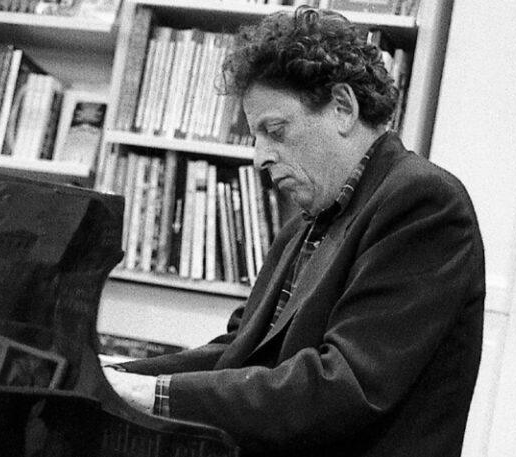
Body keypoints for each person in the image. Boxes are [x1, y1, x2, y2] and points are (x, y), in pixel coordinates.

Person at [103, 6, 485, 457]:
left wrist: (156, 395)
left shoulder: (424, 203)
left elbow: (343, 385)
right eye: (256, 136)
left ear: (343, 107)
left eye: (275, 130)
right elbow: (239, 352)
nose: (259, 157)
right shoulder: (309, 222)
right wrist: (120, 375)